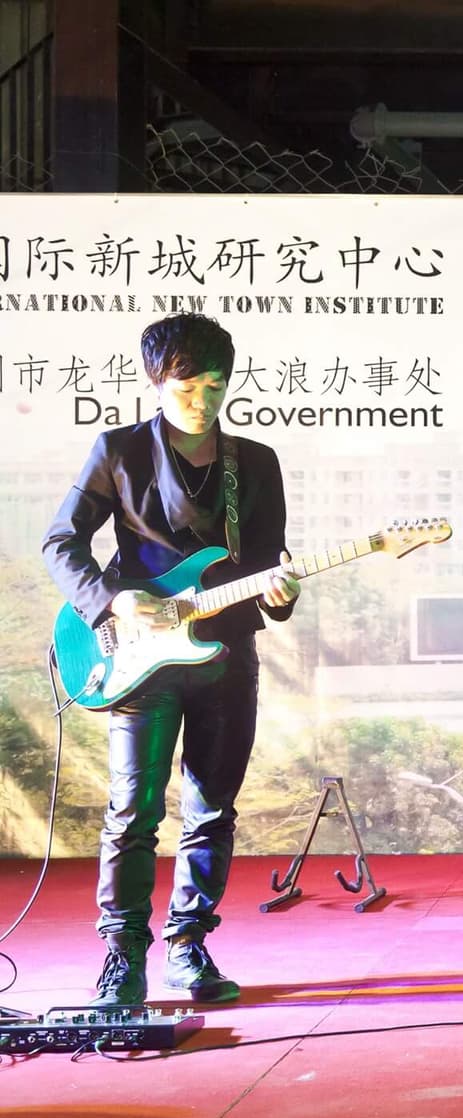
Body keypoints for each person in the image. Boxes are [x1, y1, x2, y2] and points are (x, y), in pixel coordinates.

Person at [44, 313, 300, 1006]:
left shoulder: (256, 462)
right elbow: (61, 544)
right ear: (159, 382)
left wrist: (280, 593)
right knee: (134, 808)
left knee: (213, 807)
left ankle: (190, 947)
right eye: (188, 385)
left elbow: (268, 569)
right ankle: (123, 957)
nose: (203, 400)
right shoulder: (118, 451)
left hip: (226, 656)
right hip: (139, 659)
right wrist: (113, 601)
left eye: (215, 385)